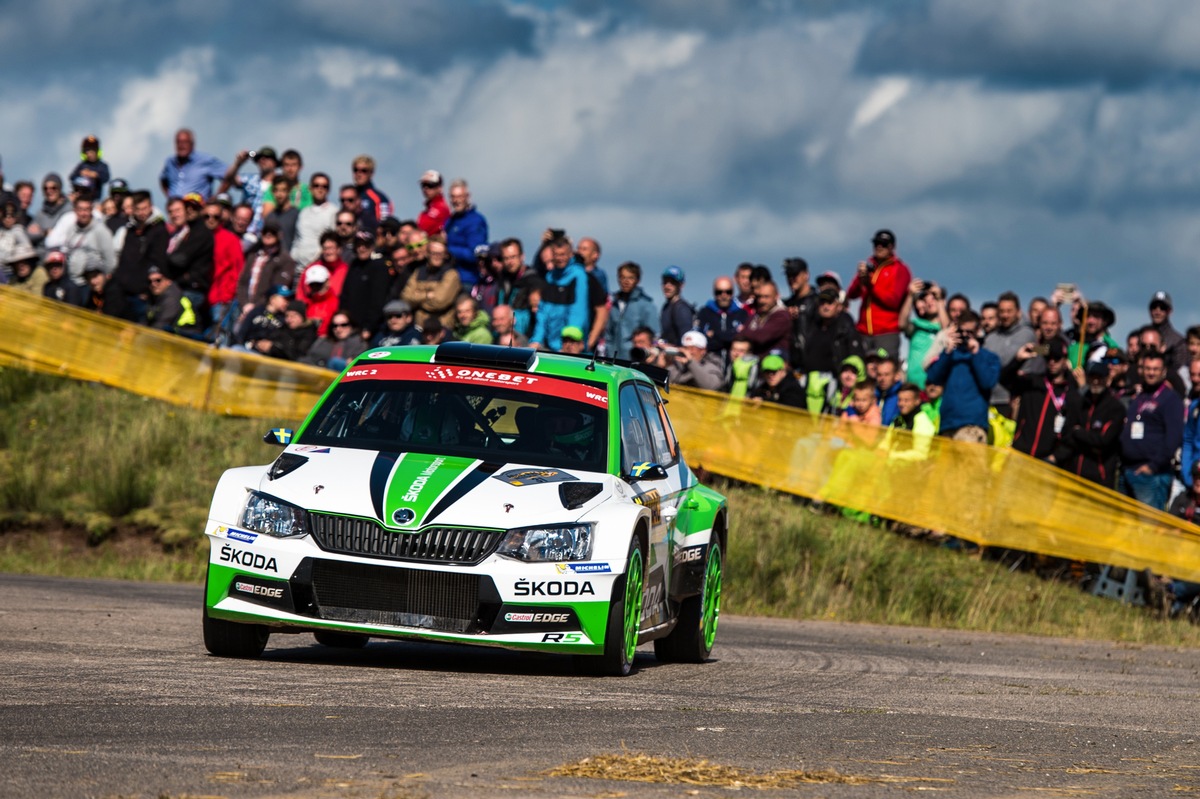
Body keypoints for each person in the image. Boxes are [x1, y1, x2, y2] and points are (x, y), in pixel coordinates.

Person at [1119, 350, 1183, 510]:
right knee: (1124, 526)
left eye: (1155, 369)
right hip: (1128, 469)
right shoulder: (1140, 396)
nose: (1151, 373)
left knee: (1148, 526)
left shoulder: (1170, 399)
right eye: (1147, 368)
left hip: (1151, 474)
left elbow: (1173, 438)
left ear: (1163, 372)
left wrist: (1153, 466)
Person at [924, 310, 1000, 440]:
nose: (965, 336)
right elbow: (933, 377)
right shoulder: (950, 355)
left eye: (969, 333)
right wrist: (947, 352)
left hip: (972, 426)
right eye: (962, 332)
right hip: (947, 424)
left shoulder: (989, 357)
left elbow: (987, 382)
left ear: (978, 331)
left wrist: (976, 354)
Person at [1003, 338, 1081, 461]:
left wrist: (1056, 457)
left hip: (1046, 459)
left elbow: (1073, 431)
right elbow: (1004, 380)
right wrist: (1018, 359)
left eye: (1057, 358)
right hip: (1019, 452)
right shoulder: (1033, 382)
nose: (1052, 362)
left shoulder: (1071, 393)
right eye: (1048, 358)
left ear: (1065, 360)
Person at [1056, 360, 1126, 488]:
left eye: (1099, 378)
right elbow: (1067, 433)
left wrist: (1080, 433)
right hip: (1073, 471)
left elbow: (1104, 441)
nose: (1095, 382)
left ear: (1106, 380)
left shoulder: (1115, 408)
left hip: (1098, 477)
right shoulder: (1079, 403)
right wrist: (1086, 437)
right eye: (1092, 377)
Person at [846, 229, 911, 358]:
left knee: (884, 368)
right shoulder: (869, 267)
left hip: (886, 335)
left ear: (892, 247)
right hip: (863, 334)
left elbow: (893, 301)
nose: (879, 247)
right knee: (862, 372)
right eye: (876, 243)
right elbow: (851, 295)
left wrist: (871, 286)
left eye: (884, 244)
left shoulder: (900, 269)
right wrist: (860, 279)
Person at [983, 291, 1038, 418]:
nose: (1005, 315)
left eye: (1009, 311)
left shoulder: (1028, 334)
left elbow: (1042, 353)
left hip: (1014, 400)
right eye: (1002, 311)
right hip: (990, 400)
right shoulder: (990, 338)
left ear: (1018, 311)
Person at [530, 237, 589, 351]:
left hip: (568, 346)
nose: (560, 258)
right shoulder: (550, 277)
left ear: (570, 254)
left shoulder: (578, 275)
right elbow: (542, 313)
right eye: (556, 254)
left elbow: (578, 312)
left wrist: (569, 343)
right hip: (549, 344)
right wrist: (536, 340)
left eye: (563, 254)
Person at [165, 193, 214, 324]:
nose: (190, 210)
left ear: (201, 209)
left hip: (191, 290)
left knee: (179, 328)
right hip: (181, 288)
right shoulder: (186, 231)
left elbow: (180, 259)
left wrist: (164, 260)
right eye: (187, 207)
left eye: (194, 207)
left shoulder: (201, 232)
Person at [340, 229, 393, 339]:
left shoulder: (379, 266)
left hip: (369, 328)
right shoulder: (354, 265)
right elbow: (345, 295)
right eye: (358, 245)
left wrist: (368, 327)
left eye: (366, 245)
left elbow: (378, 300)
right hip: (350, 326)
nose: (362, 248)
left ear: (372, 246)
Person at [236, 222, 295, 320]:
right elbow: (242, 282)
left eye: (272, 233)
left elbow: (277, 289)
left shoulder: (285, 260)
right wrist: (245, 304)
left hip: (266, 310)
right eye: (265, 232)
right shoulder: (253, 254)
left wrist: (255, 308)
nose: (268, 235)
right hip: (244, 306)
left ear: (279, 236)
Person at [204, 200, 245, 337]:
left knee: (218, 338)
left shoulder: (231, 240)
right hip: (202, 297)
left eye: (216, 217)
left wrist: (227, 295)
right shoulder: (196, 237)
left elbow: (238, 271)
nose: (211, 220)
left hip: (220, 299)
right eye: (207, 216)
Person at [402, 237, 462, 331]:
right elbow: (406, 298)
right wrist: (428, 295)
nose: (437, 256)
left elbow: (439, 302)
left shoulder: (451, 274)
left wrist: (418, 296)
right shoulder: (418, 272)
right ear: (427, 253)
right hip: (419, 327)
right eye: (434, 253)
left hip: (441, 329)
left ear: (446, 255)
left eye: (440, 254)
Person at [899, 278, 948, 388]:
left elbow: (946, 332)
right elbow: (902, 324)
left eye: (933, 298)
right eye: (926, 300)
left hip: (935, 386)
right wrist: (910, 295)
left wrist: (939, 299)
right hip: (913, 386)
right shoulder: (917, 324)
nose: (930, 302)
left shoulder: (948, 325)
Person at [605, 261, 659, 360]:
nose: (626, 281)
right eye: (622, 277)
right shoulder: (614, 303)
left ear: (638, 280)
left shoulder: (646, 305)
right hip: (612, 359)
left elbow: (654, 336)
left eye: (631, 278)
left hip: (634, 361)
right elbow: (608, 333)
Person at [218, 147, 277, 236]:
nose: (263, 160)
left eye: (267, 157)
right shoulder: (250, 179)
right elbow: (229, 179)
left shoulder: (280, 185)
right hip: (244, 230)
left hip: (266, 234)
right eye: (260, 158)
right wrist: (238, 163)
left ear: (275, 162)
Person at [159, 129, 227, 201]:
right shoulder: (170, 162)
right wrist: (170, 197)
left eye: (185, 142)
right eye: (178, 142)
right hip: (176, 210)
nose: (181, 145)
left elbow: (228, 175)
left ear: (192, 144)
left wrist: (215, 198)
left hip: (198, 209)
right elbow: (163, 180)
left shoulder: (204, 160)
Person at [696, 275, 748, 364]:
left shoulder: (742, 314)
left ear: (733, 293)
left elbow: (744, 339)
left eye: (728, 292)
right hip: (710, 364)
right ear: (714, 293)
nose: (724, 295)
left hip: (736, 364)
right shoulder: (704, 313)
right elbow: (701, 340)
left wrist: (714, 334)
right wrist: (731, 335)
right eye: (719, 292)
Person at [289, 172, 337, 268]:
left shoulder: (334, 212)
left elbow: (333, 242)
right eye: (316, 185)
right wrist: (293, 257)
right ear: (310, 188)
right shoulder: (303, 212)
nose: (320, 189)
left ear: (328, 190)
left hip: (318, 268)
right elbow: (297, 239)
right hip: (297, 267)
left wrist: (316, 262)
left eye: (324, 186)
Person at [444, 179, 488, 282]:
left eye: (460, 196)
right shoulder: (450, 221)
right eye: (453, 197)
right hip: (449, 278)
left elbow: (476, 255)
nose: (456, 201)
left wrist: (447, 250)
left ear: (467, 197)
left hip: (468, 280)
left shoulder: (475, 221)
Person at [740, 279, 791, 359]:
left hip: (775, 365)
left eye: (766, 297)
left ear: (776, 296)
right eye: (759, 297)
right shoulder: (755, 316)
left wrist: (744, 331)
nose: (762, 300)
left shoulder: (782, 316)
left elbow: (761, 337)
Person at [145, 265, 199, 335]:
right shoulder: (154, 296)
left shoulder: (172, 297)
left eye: (158, 280)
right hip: (173, 332)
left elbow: (163, 323)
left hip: (185, 335)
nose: (153, 284)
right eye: (150, 281)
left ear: (168, 281)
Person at [1147, 291, 1187, 373]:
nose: (1157, 311)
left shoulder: (1178, 342)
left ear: (1169, 312)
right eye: (1154, 307)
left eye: (1162, 308)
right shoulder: (1143, 336)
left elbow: (1179, 370)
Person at [27, 174, 70, 250]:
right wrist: (45, 233)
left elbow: (67, 234)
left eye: (53, 188)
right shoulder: (40, 213)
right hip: (41, 255)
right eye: (45, 188)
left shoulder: (69, 209)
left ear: (60, 188)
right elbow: (29, 235)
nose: (49, 191)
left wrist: (42, 232)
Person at [658, 265, 696, 346]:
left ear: (681, 285)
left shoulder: (681, 309)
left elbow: (687, 341)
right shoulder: (666, 307)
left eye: (672, 282)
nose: (667, 286)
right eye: (665, 282)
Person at [262, 175, 299, 253]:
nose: (279, 194)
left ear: (289, 191)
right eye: (276, 190)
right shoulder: (270, 217)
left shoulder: (296, 215)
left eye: (283, 190)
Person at [416, 170, 449, 236]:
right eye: (423, 185)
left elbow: (423, 230)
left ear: (440, 188)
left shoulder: (441, 208)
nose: (426, 188)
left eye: (430, 185)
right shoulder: (425, 212)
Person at [1182, 359, 1200, 483]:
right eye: (1192, 374)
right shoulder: (1195, 406)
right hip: (1194, 476)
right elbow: (1188, 440)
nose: (1195, 379)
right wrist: (1187, 474)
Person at [875, 356, 902, 426]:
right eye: (879, 375)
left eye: (887, 374)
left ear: (896, 375)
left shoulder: (902, 397)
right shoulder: (872, 396)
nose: (882, 379)